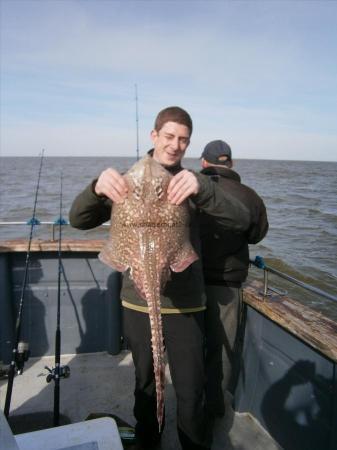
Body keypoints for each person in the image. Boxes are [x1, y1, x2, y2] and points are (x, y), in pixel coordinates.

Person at [69, 108, 251, 450]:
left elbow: (242, 219)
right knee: (146, 383)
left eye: (183, 139)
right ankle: (149, 441)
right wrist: (96, 188)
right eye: (169, 136)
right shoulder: (125, 182)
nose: (175, 145)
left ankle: (193, 443)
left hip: (186, 305)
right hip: (137, 301)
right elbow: (78, 219)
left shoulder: (194, 183)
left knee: (191, 389)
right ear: (154, 136)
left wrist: (204, 190)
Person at [199, 140, 269, 419]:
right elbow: (256, 234)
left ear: (203, 163)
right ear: (232, 163)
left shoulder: (187, 190)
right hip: (226, 286)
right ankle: (214, 409)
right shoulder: (250, 196)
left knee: (188, 348)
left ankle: (188, 405)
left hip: (187, 283)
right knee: (221, 351)